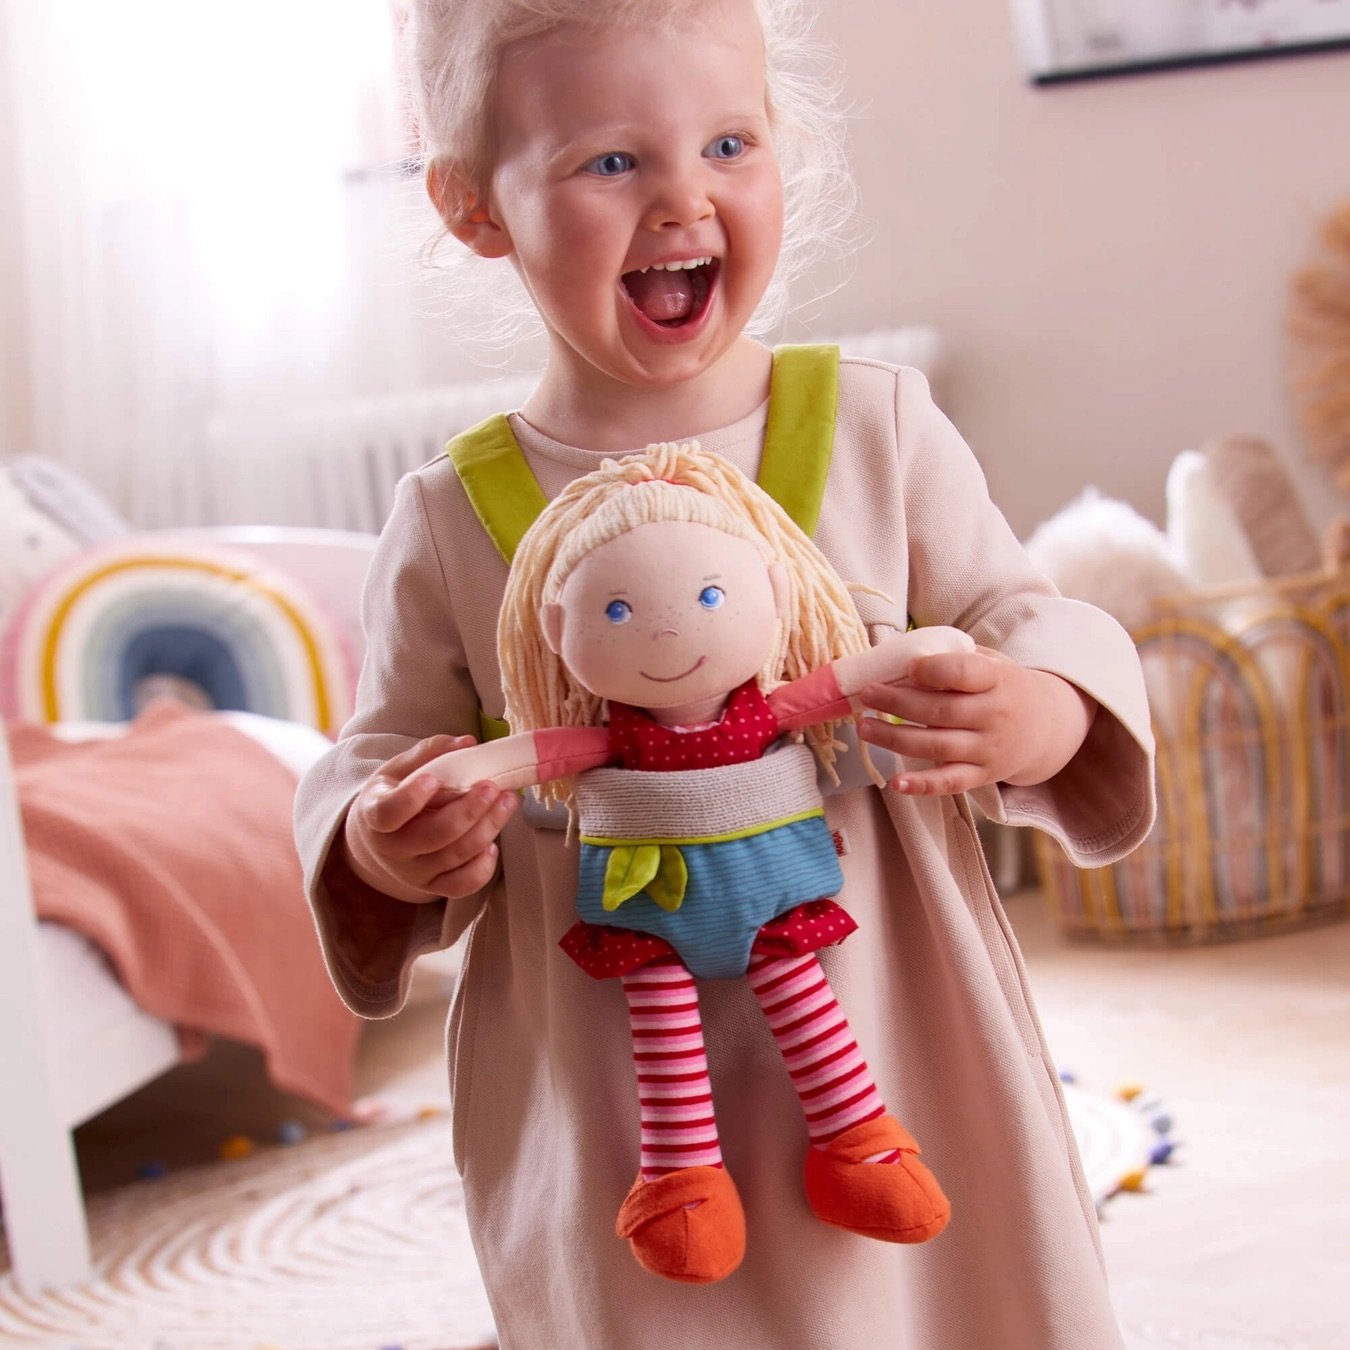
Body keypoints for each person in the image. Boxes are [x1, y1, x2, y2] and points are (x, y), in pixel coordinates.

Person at [294, 0, 1156, 1345]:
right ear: (475, 209)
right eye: (610, 162)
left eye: (728, 143)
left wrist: (1040, 706)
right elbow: (374, 756)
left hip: (890, 1022)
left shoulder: (872, 424)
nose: (683, 199)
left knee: (947, 1291)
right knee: (657, 1303)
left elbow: (1018, 609)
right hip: (612, 1084)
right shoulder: (453, 517)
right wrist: (389, 842)